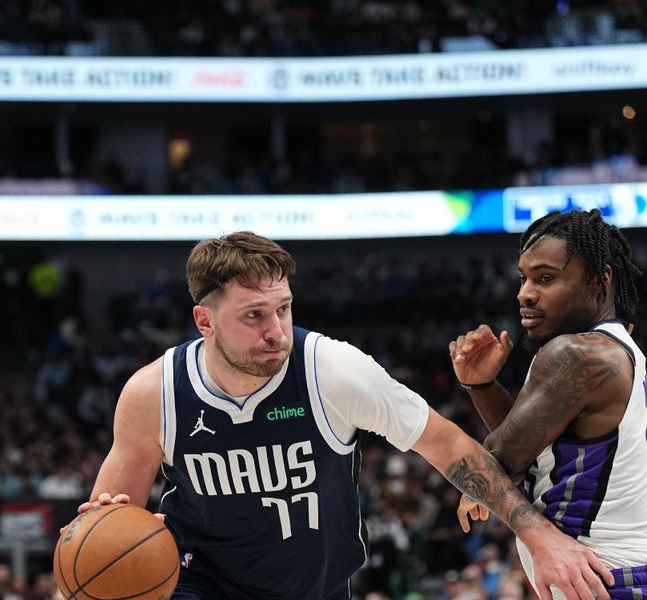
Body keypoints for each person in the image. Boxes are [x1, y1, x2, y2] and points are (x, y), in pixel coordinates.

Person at [79, 230, 613, 600]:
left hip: (317, 586)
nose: (277, 331)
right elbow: (108, 521)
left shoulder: (331, 370)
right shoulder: (155, 392)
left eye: (284, 308)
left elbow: (450, 445)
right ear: (205, 321)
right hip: (203, 581)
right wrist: (100, 527)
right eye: (254, 315)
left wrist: (541, 539)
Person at [449, 209, 647, 599]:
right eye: (523, 278)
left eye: (545, 278)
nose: (524, 292)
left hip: (603, 582)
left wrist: (477, 477)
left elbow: (493, 464)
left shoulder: (579, 355)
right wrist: (483, 385)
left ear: (599, 279)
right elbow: (534, 451)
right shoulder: (617, 350)